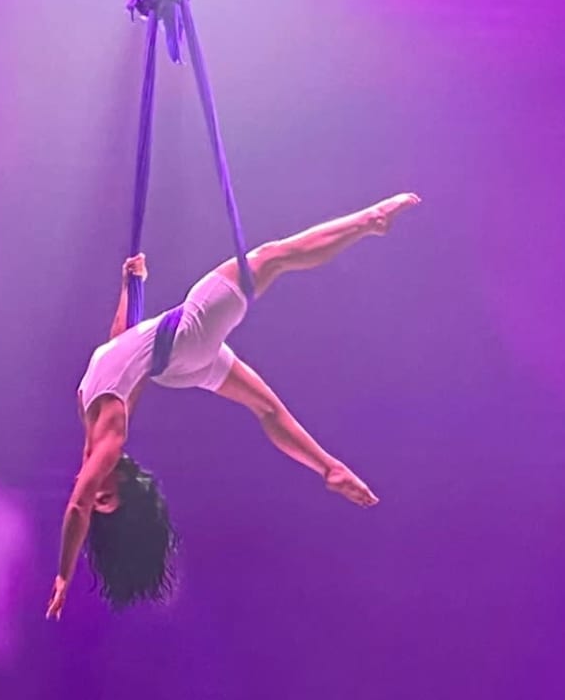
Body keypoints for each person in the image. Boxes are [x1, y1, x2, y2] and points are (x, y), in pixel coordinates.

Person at [46, 194, 419, 618]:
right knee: (272, 257)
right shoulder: (110, 435)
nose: (94, 493)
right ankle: (367, 221)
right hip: (187, 335)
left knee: (266, 408)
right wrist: (63, 574)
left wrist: (133, 285)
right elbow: (76, 506)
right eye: (106, 496)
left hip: (179, 364)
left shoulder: (92, 414)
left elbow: (120, 343)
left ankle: (327, 467)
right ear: (123, 478)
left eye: (98, 500)